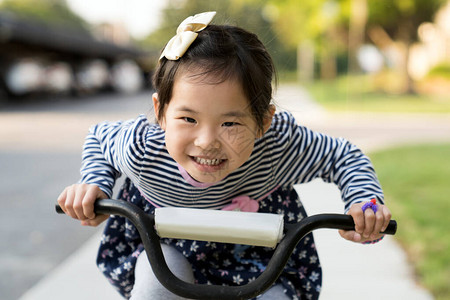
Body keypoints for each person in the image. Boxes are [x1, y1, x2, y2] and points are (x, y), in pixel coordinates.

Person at [57, 11, 392, 300]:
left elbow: (343, 156)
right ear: (159, 112)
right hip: (164, 247)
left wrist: (366, 203)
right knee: (156, 284)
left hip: (261, 256)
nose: (207, 142)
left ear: (263, 122)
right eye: (188, 119)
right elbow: (100, 139)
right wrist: (93, 184)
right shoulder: (142, 147)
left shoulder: (276, 144)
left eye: (230, 123)